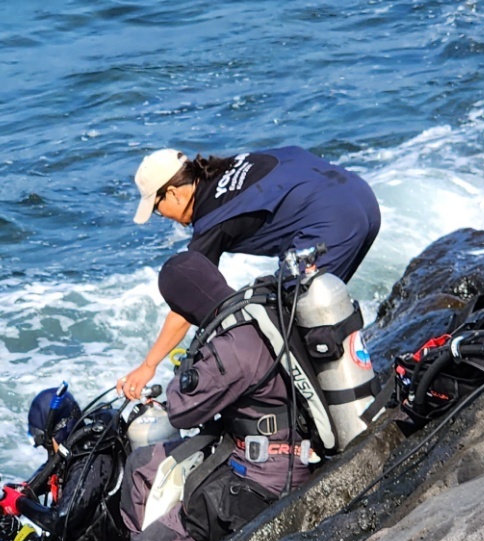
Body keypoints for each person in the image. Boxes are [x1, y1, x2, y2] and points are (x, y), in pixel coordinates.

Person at [113, 250, 314, 541]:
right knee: (142, 464)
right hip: (257, 447)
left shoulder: (228, 348)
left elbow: (181, 410)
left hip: (263, 479)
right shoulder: (257, 309)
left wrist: (187, 365)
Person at [118, 145, 381, 398]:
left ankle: (332, 411)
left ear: (174, 193)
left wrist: (148, 366)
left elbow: (185, 303)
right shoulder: (231, 166)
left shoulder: (212, 220)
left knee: (287, 329)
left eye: (157, 210)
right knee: (318, 310)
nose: (163, 217)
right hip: (361, 197)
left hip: (332, 222)